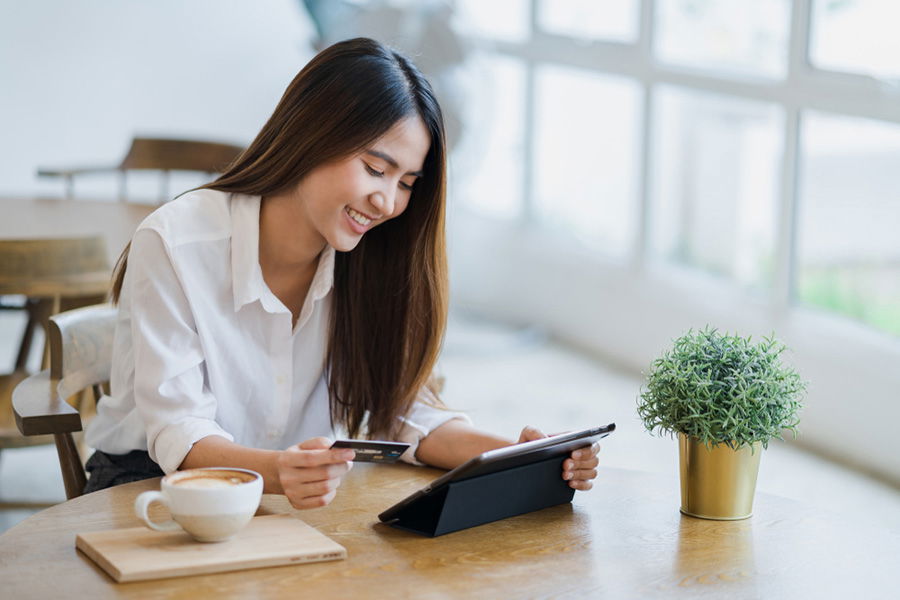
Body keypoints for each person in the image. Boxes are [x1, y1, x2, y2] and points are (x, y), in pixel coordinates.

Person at [84, 38, 601, 508]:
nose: (387, 201)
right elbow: (179, 430)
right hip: (153, 486)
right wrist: (280, 473)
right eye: (376, 169)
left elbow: (403, 414)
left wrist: (521, 454)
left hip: (295, 487)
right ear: (314, 133)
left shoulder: (371, 258)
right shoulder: (175, 241)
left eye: (406, 182)